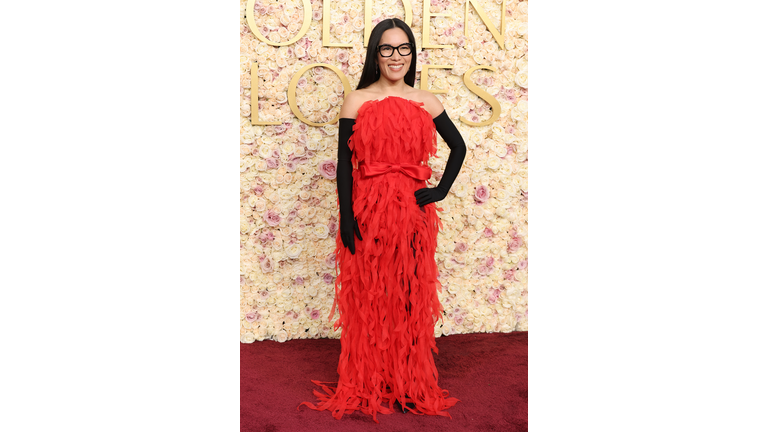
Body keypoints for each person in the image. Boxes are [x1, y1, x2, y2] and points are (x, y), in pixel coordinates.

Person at [299, 18, 466, 422]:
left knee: (409, 295)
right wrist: (345, 217)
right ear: (375, 54)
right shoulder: (356, 100)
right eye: (387, 49)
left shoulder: (427, 100)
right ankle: (369, 380)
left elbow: (459, 147)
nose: (396, 56)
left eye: (403, 48)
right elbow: (343, 163)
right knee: (370, 296)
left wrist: (439, 191)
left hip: (412, 213)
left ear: (413, 53)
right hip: (368, 210)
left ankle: (409, 382)